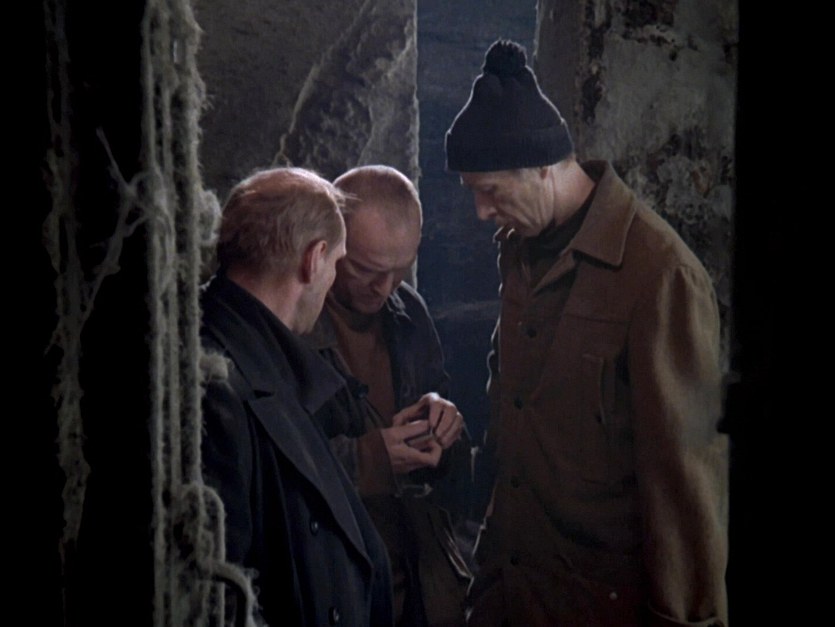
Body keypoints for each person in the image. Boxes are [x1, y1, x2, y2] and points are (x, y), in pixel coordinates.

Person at [444, 40, 729, 627]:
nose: (481, 212)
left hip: (597, 605)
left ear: (543, 168)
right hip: (511, 589)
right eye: (473, 191)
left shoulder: (659, 275)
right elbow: (514, 409)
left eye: (490, 191)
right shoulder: (520, 250)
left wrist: (688, 618)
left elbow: (684, 485)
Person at [200, 167, 393, 626]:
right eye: (337, 262)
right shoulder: (221, 388)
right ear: (314, 259)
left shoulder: (260, 362)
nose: (332, 279)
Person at [307, 165, 473, 627]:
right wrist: (372, 458)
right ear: (329, 243)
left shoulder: (409, 311)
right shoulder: (294, 321)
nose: (384, 288)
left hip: (420, 587)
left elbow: (457, 482)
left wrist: (444, 430)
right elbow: (273, 471)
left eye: (400, 270)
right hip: (338, 593)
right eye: (366, 269)